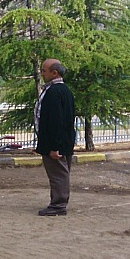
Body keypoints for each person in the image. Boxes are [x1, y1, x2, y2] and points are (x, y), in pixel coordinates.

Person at [34, 59, 76, 216]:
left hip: (56, 144)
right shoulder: (64, 90)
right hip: (63, 141)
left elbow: (55, 121)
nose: (42, 73)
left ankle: (58, 205)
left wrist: (54, 147)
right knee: (61, 173)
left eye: (44, 71)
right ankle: (58, 202)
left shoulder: (54, 92)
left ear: (54, 73)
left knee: (58, 174)